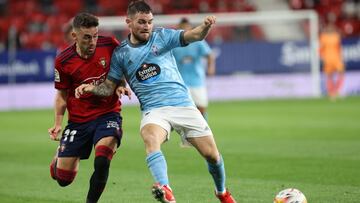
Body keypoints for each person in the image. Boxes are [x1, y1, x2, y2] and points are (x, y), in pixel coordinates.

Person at [75, 1, 237, 203]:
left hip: (183, 104)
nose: (147, 26)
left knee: (212, 155)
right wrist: (91, 88)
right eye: (142, 22)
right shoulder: (121, 54)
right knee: (150, 137)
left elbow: (193, 35)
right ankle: (165, 188)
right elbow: (108, 87)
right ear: (129, 22)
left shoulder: (163, 36)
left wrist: (205, 26)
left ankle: (221, 192)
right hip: (154, 110)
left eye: (150, 22)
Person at [48, 12, 130, 203]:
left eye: (95, 35)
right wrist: (58, 123)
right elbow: (61, 95)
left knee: (102, 160)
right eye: (87, 37)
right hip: (79, 121)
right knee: (63, 179)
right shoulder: (63, 61)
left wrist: (121, 85)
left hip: (108, 113)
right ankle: (59, 157)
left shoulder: (109, 44)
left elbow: (121, 68)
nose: (92, 41)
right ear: (74, 36)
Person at [173, 17, 216, 120]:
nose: (185, 29)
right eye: (183, 27)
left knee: (201, 107)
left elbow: (210, 55)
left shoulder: (198, 41)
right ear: (179, 28)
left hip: (197, 80)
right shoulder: (175, 43)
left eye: (187, 27)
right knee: (184, 109)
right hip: (181, 81)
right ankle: (187, 133)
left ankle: (203, 129)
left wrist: (211, 68)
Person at [319, 22, 345, 100]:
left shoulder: (335, 36)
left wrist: (341, 57)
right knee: (330, 76)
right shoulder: (324, 37)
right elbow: (321, 49)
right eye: (329, 27)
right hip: (329, 58)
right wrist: (322, 57)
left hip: (335, 58)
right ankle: (332, 92)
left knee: (339, 74)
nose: (330, 28)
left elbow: (339, 48)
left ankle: (336, 91)